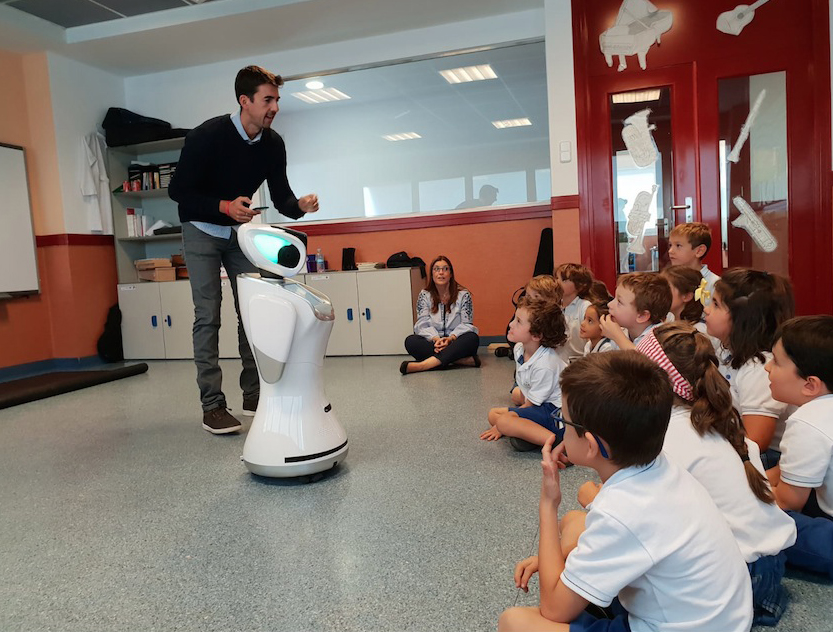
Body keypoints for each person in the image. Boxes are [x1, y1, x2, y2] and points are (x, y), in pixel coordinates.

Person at [499, 351, 753, 632]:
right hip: (721, 617)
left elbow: (553, 609)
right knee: (574, 521)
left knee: (514, 622)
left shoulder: (621, 511)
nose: (561, 427)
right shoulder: (661, 465)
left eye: (564, 421)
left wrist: (548, 504)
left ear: (591, 445)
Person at [168, 65, 320, 435]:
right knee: (208, 315)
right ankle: (213, 406)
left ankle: (254, 395)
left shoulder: (272, 144)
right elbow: (179, 192)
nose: (275, 107)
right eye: (268, 100)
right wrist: (224, 206)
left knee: (252, 311)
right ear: (244, 101)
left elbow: (282, 198)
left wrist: (300, 205)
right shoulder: (206, 136)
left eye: (277, 100)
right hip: (201, 229)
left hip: (240, 232)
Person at [637, 323, 796, 626]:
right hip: (772, 568)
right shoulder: (719, 420)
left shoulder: (669, 437)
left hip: (732, 580)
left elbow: (645, 516)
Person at [765, 315, 833, 578]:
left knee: (763, 520)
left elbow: (787, 501)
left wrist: (739, 497)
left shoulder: (808, 421)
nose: (767, 368)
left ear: (810, 385)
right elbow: (784, 470)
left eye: (776, 361)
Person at [704, 268, 794, 468]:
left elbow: (756, 441)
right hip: (735, 441)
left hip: (766, 458)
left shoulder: (759, 368)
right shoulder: (725, 349)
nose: (707, 310)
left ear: (742, 319)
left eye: (716, 305)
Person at [481, 297, 567, 451]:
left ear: (536, 335)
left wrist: (501, 427)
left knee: (503, 422)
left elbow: (531, 404)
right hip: (541, 407)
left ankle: (558, 444)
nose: (511, 324)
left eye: (519, 322)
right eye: (515, 318)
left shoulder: (546, 365)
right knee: (493, 414)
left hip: (556, 413)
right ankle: (529, 435)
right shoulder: (519, 348)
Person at [401, 256, 479, 374]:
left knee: (472, 338)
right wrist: (436, 339)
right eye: (436, 269)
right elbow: (422, 324)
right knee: (411, 341)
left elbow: (467, 324)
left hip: (456, 341)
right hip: (434, 342)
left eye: (445, 269)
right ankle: (459, 360)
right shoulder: (424, 295)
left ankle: (423, 365)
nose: (441, 272)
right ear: (432, 274)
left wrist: (450, 338)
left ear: (451, 274)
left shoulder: (463, 295)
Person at [599, 271, 672, 350]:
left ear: (642, 316)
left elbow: (643, 357)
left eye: (619, 302)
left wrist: (617, 336)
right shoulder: (624, 332)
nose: (609, 304)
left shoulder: (660, 339)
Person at [667, 222, 720, 305]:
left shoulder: (715, 285)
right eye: (670, 245)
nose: (670, 251)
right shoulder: (668, 280)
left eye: (678, 245)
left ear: (699, 251)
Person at [554, 263, 592, 362]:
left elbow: (591, 338)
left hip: (578, 360)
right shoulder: (555, 306)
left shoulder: (584, 306)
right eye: (556, 278)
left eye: (564, 280)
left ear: (580, 286)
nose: (557, 283)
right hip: (558, 359)